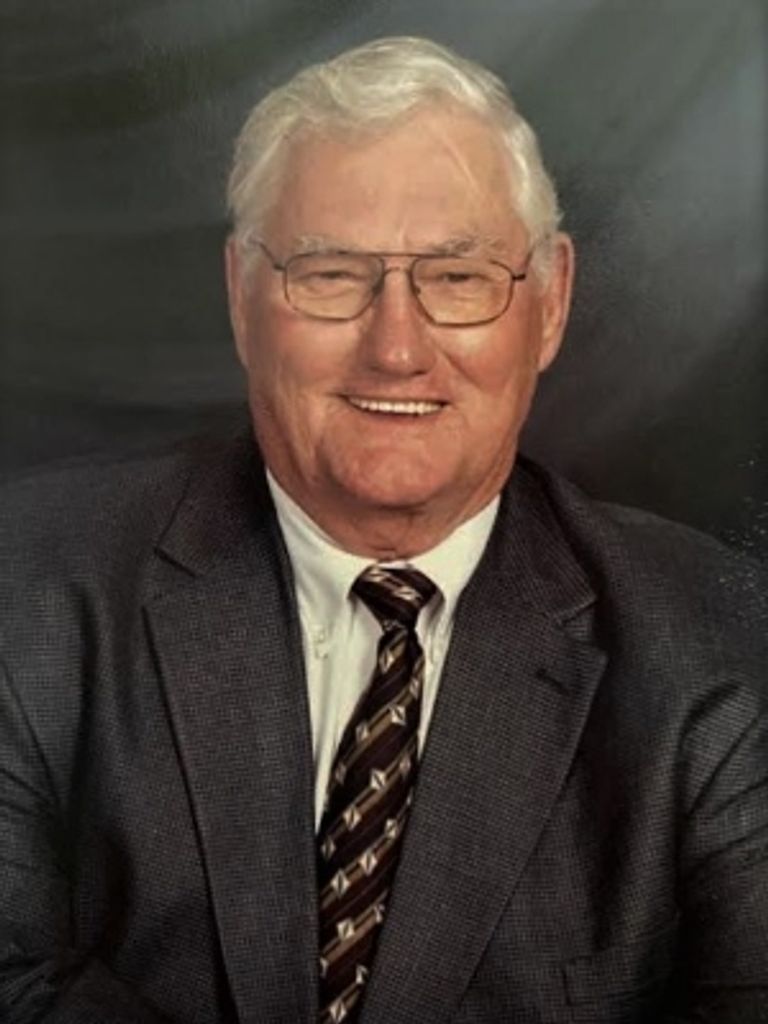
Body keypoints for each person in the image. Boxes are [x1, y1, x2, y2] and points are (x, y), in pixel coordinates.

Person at [1, 35, 766, 1024]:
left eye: (459, 278)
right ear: (241, 296)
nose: (396, 347)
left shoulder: (716, 649)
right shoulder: (29, 588)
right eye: (330, 274)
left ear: (550, 304)